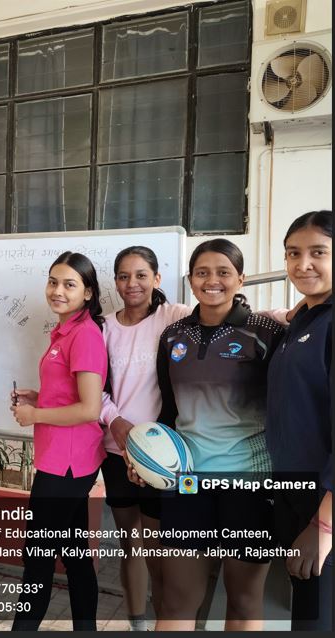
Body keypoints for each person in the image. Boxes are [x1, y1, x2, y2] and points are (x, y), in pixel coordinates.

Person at [138, 238, 285, 631]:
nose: (212, 280)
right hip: (188, 482)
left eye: (223, 272)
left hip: (250, 483)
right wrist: (148, 457)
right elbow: (169, 411)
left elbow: (285, 409)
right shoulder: (173, 336)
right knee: (177, 601)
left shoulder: (266, 333)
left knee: (243, 601)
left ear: (241, 279)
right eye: (202, 272)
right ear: (191, 280)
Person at [10, 251, 108, 632]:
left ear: (88, 292)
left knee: (38, 559)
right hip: (62, 459)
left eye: (69, 284)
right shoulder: (65, 331)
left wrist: (34, 416)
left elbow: (89, 408)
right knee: (75, 555)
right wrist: (39, 398)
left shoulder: (84, 335)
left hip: (67, 464)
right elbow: (70, 396)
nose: (57, 291)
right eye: (53, 282)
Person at [99, 246, 191, 630]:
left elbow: (226, 313)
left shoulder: (175, 316)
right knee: (130, 543)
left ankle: (164, 622)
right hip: (117, 451)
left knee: (159, 550)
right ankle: (137, 623)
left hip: (162, 457)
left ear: (156, 278)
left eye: (141, 275)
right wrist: (114, 421)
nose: (132, 283)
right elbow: (92, 388)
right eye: (123, 276)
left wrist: (290, 315)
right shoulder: (103, 327)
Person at [266, 210, 332, 630]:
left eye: (318, 252)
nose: (302, 264)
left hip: (322, 507)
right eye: (293, 253)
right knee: (305, 614)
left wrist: (321, 527)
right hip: (293, 495)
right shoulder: (305, 319)